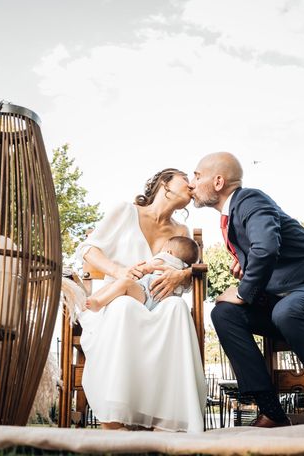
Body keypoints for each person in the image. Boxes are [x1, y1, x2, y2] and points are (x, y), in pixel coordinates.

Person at [189, 152, 304, 428]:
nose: (192, 182)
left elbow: (267, 248)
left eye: (197, 175)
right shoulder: (232, 216)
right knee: (224, 313)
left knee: (287, 309)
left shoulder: (250, 199)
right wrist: (245, 266)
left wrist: (241, 291)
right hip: (289, 305)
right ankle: (272, 412)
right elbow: (264, 252)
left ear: (217, 181)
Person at [76, 168, 207, 432]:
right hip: (120, 297)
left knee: (177, 307)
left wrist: (181, 273)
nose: (192, 185)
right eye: (186, 179)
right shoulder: (125, 211)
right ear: (165, 183)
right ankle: (113, 419)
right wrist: (118, 271)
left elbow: (192, 271)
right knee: (125, 307)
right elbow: (88, 250)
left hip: (157, 304)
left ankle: (170, 419)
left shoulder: (181, 230)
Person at [85, 235, 200, 312]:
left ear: (169, 252)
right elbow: (187, 287)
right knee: (120, 285)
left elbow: (147, 267)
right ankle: (93, 301)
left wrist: (140, 268)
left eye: (163, 249)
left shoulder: (165, 257)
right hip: (162, 305)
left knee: (122, 283)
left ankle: (98, 302)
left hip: (146, 293)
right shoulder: (182, 270)